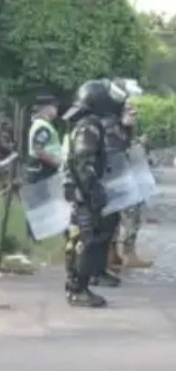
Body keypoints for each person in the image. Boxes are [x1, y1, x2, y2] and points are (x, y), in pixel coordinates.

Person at [61, 79, 129, 308]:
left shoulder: (85, 122)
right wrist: (91, 192)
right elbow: (84, 161)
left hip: (80, 191)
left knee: (80, 238)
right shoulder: (90, 125)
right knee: (86, 240)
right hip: (83, 193)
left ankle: (77, 286)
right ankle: (78, 289)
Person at [105, 101, 153, 271]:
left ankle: (121, 253)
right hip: (118, 182)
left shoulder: (124, 130)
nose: (134, 117)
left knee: (123, 218)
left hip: (123, 181)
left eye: (135, 114)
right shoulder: (113, 130)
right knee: (126, 217)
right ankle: (122, 253)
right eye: (131, 114)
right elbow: (117, 154)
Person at [23, 95, 63, 184]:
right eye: (54, 107)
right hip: (42, 170)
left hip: (42, 168)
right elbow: (38, 150)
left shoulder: (42, 124)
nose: (56, 110)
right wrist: (56, 164)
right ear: (46, 108)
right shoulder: (42, 126)